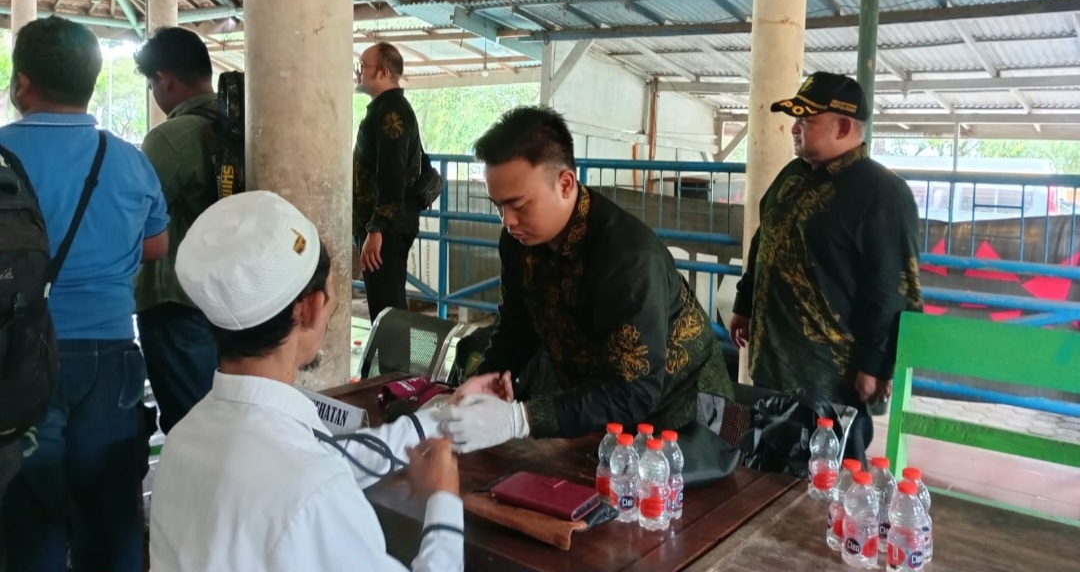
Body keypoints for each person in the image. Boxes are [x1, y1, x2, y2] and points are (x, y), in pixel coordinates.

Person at [150, 190, 463, 572]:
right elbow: (309, 474)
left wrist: (432, 422)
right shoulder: (314, 491)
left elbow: (324, 456)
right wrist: (444, 501)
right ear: (310, 307)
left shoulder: (183, 440)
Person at [439, 106, 734, 452]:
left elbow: (634, 390)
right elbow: (519, 324)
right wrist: (479, 383)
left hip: (691, 424)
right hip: (607, 419)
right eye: (498, 205)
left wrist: (521, 418)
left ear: (565, 184)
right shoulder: (520, 242)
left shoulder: (627, 257)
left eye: (518, 205)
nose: (508, 220)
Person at [0, 16, 169, 572]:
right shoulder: (128, 159)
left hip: (17, 356)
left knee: (30, 514)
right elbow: (157, 244)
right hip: (111, 355)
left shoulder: (2, 154)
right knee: (112, 512)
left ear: (22, 84)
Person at [728, 71, 923, 463]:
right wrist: (745, 303)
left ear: (844, 127)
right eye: (796, 119)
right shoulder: (792, 176)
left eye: (807, 120)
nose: (794, 128)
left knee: (833, 468)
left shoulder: (883, 193)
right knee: (768, 456)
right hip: (773, 356)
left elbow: (892, 289)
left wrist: (875, 364)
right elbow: (765, 240)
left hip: (831, 375)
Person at [133, 26, 221, 434]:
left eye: (152, 84)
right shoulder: (241, 122)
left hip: (175, 303)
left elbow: (137, 223)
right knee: (225, 420)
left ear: (164, 79)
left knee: (189, 426)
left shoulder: (169, 139)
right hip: (236, 301)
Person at [353, 42, 424, 323]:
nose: (358, 72)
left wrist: (376, 229)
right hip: (384, 226)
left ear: (382, 72)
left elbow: (392, 175)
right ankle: (394, 354)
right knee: (384, 306)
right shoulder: (385, 109)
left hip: (387, 229)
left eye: (363, 66)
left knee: (387, 311)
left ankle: (396, 355)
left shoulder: (391, 113)